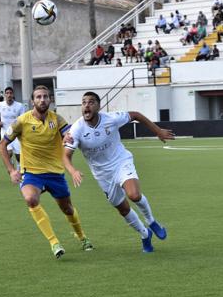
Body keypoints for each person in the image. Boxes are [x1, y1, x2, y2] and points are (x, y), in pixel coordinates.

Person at [63, 92, 174, 253]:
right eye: (84, 102)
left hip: (121, 162)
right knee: (122, 209)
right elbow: (65, 156)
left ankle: (151, 221)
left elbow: (136, 115)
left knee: (134, 195)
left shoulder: (111, 119)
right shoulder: (77, 129)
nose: (87, 105)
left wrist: (157, 131)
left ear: (98, 106)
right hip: (102, 175)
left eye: (91, 102)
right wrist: (72, 171)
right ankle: (145, 234)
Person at [0, 85, 93, 259]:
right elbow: (2, 145)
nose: (43, 100)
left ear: (50, 100)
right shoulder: (21, 121)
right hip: (31, 173)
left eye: (46, 97)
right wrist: (11, 170)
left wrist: (67, 136)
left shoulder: (56, 119)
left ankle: (82, 237)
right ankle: (54, 242)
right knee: (30, 199)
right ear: (32, 101)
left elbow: (67, 132)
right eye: (39, 97)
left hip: (55, 173)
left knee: (68, 209)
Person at [0, 87, 26, 170]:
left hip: (16, 133)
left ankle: (20, 172)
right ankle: (13, 170)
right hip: (5, 132)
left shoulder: (19, 106)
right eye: (7, 93)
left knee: (19, 157)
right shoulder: (0, 105)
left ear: (13, 94)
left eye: (10, 93)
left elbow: (23, 119)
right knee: (8, 153)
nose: (9, 95)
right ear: (5, 95)